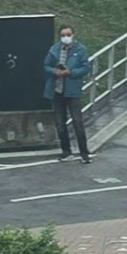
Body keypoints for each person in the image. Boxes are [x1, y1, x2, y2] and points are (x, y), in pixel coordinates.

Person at [43, 25, 91, 163]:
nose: (66, 37)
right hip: (57, 90)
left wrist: (71, 72)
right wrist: (55, 71)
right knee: (60, 123)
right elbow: (46, 66)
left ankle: (84, 153)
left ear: (73, 35)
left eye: (68, 34)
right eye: (63, 35)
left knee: (78, 122)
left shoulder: (80, 50)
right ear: (60, 36)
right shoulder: (54, 50)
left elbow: (86, 67)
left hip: (73, 91)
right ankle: (66, 151)